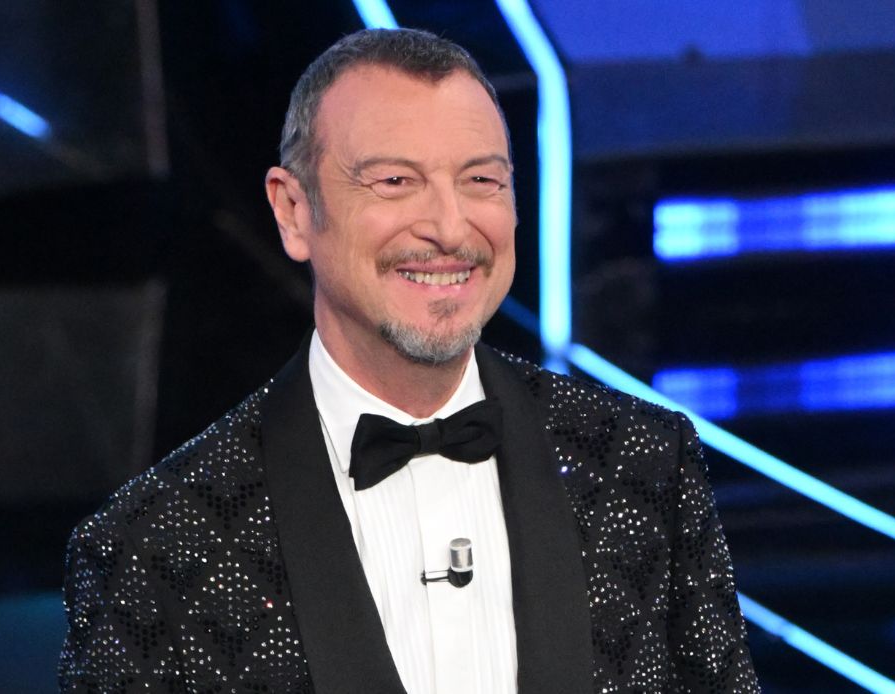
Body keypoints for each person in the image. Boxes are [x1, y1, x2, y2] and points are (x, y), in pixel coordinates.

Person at [60, 28, 759, 693]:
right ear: (294, 211)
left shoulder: (645, 465)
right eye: (395, 181)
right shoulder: (151, 544)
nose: (450, 228)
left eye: (481, 180)